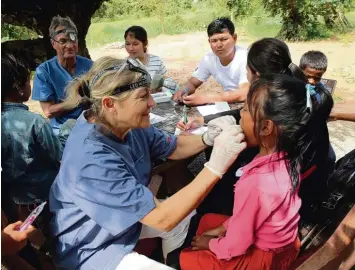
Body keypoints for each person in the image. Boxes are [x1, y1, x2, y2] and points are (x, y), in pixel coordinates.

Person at [49, 57, 246, 269]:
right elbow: (161, 218)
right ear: (109, 104)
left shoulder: (128, 124)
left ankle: (171, 261)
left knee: (183, 220)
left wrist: (207, 138)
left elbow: (174, 147)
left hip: (123, 224)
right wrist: (215, 166)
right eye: (143, 96)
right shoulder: (90, 159)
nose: (152, 103)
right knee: (173, 219)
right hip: (90, 247)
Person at [179, 74, 333, 270]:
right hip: (284, 245)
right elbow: (255, 214)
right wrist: (221, 229)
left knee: (186, 258)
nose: (240, 115)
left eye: (244, 109)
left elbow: (236, 245)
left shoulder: (257, 183)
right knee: (209, 220)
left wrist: (209, 244)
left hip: (261, 259)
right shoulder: (289, 157)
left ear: (266, 127)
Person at [1, 52, 63, 207]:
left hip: (11, 198)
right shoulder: (35, 122)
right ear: (18, 86)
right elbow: (57, 156)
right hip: (41, 196)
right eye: (29, 81)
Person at [32, 15, 93, 135]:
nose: (69, 46)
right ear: (53, 43)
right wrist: (74, 102)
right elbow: (48, 111)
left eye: (73, 40)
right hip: (62, 132)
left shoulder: (90, 66)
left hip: (90, 125)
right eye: (63, 41)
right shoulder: (44, 71)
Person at [173, 17, 249, 106]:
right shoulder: (209, 59)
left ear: (234, 38)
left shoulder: (246, 58)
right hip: (229, 105)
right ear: (209, 42)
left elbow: (244, 93)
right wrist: (183, 90)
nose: (219, 45)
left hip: (249, 107)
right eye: (214, 41)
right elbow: (192, 83)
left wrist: (207, 98)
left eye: (224, 39)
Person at [124, 25, 179, 93]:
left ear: (145, 43)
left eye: (135, 44)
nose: (130, 48)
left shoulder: (156, 61)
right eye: (127, 44)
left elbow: (167, 80)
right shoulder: (124, 65)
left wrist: (160, 87)